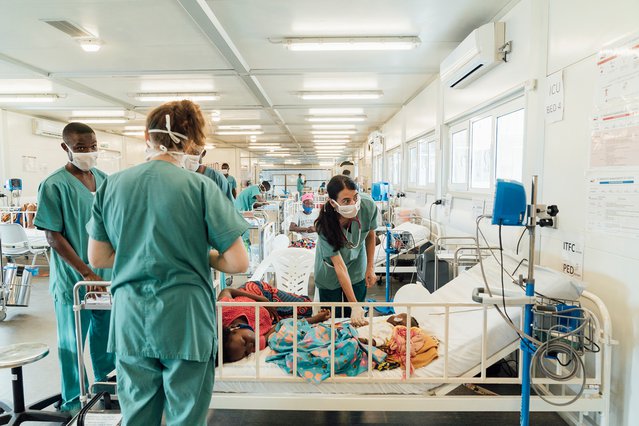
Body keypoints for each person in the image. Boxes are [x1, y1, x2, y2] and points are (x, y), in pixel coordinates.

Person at [86, 100, 249, 425]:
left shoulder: (111, 185)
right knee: (185, 417)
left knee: (137, 415)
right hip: (184, 320)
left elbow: (99, 257)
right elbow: (237, 262)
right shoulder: (201, 187)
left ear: (146, 135)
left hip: (132, 319)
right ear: (192, 142)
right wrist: (193, 252)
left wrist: (142, 251)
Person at [33, 122, 114, 413]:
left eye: (93, 146)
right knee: (72, 343)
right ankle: (71, 401)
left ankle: (107, 390)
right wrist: (86, 272)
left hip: (106, 279)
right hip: (74, 280)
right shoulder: (54, 184)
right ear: (65, 147)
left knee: (107, 340)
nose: (89, 152)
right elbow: (53, 236)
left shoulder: (104, 180)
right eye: (81, 148)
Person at [313, 175, 378, 326]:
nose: (354, 203)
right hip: (330, 272)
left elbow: (370, 234)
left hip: (357, 266)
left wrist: (370, 267)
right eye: (346, 201)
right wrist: (353, 304)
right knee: (332, 320)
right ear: (333, 203)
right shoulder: (324, 225)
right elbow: (339, 266)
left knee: (356, 319)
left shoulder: (367, 205)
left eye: (355, 197)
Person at [218, 282, 314, 362]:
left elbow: (227, 290)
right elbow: (281, 324)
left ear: (233, 328)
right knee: (306, 313)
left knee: (306, 305)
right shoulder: (256, 344)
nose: (250, 346)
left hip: (258, 294)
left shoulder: (224, 309)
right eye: (246, 353)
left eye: (244, 341)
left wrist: (262, 300)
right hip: (271, 315)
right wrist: (316, 319)